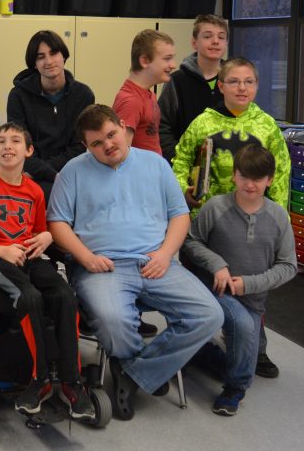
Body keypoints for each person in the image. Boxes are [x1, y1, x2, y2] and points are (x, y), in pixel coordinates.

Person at [47, 104, 223, 421]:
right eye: (96, 143)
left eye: (111, 135)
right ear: (86, 146)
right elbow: (57, 223)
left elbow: (179, 215)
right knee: (112, 321)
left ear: (123, 126)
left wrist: (165, 254)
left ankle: (132, 373)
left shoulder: (155, 164)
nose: (107, 145)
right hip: (102, 266)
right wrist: (86, 257)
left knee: (209, 315)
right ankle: (146, 371)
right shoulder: (72, 172)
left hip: (156, 260)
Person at [0, 122, 96, 421]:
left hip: (29, 257)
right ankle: (40, 380)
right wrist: (1, 250)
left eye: (15, 141)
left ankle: (71, 381)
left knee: (65, 296)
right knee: (30, 297)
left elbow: (38, 232)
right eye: (0, 141)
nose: (7, 146)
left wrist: (47, 236)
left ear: (29, 150)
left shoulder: (35, 191)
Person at [171, 56, 292, 378]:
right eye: (235, 81)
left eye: (249, 82)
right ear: (221, 86)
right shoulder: (203, 123)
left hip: (252, 221)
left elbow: (281, 173)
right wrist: (185, 192)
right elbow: (180, 162)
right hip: (208, 221)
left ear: (257, 86)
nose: (242, 88)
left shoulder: (266, 125)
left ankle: (256, 349)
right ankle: (195, 345)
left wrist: (277, 217)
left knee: (251, 292)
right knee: (202, 286)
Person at [181, 145, 296, 416]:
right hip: (215, 291)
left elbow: (288, 266)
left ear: (270, 180)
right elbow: (190, 242)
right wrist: (217, 265)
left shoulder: (279, 217)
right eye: (244, 176)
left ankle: (201, 353)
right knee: (242, 331)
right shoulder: (215, 207)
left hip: (252, 299)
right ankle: (235, 390)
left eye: (258, 178)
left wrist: (249, 283)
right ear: (234, 175)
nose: (249, 184)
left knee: (244, 360)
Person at [6, 30, 95, 202]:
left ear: (64, 56)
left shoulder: (83, 95)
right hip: (29, 174)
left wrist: (49, 173)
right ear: (34, 64)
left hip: (67, 172)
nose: (49, 61)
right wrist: (48, 174)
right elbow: (19, 145)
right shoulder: (18, 96)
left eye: (53, 53)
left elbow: (79, 147)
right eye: (41, 57)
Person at [158, 14, 229, 162]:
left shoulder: (234, 80)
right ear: (194, 43)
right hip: (184, 166)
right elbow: (162, 125)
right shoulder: (176, 80)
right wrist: (179, 159)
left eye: (221, 37)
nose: (215, 41)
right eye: (207, 36)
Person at [112, 29, 176, 155]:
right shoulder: (131, 101)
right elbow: (122, 155)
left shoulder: (149, 94)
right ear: (144, 61)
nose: (173, 65)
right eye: (167, 59)